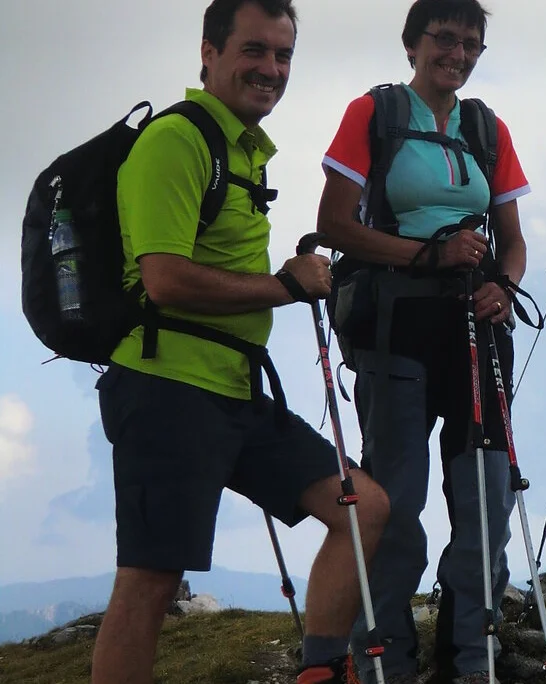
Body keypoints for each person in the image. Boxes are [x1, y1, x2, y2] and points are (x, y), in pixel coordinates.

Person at [89, 2, 389, 684]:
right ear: (210, 52)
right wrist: (285, 285)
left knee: (362, 510)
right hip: (166, 386)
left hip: (235, 391)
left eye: (283, 56)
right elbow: (163, 279)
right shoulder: (178, 140)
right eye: (255, 51)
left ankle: (320, 671)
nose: (271, 70)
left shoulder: (242, 150)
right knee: (151, 580)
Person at [315, 0, 531, 682]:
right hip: (395, 329)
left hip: (475, 329)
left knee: (486, 499)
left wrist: (504, 285)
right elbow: (333, 225)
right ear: (412, 43)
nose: (458, 54)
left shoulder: (486, 129)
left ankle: (474, 659)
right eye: (444, 38)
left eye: (471, 43)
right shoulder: (374, 114)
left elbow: (514, 242)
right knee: (396, 506)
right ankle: (385, 660)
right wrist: (425, 256)